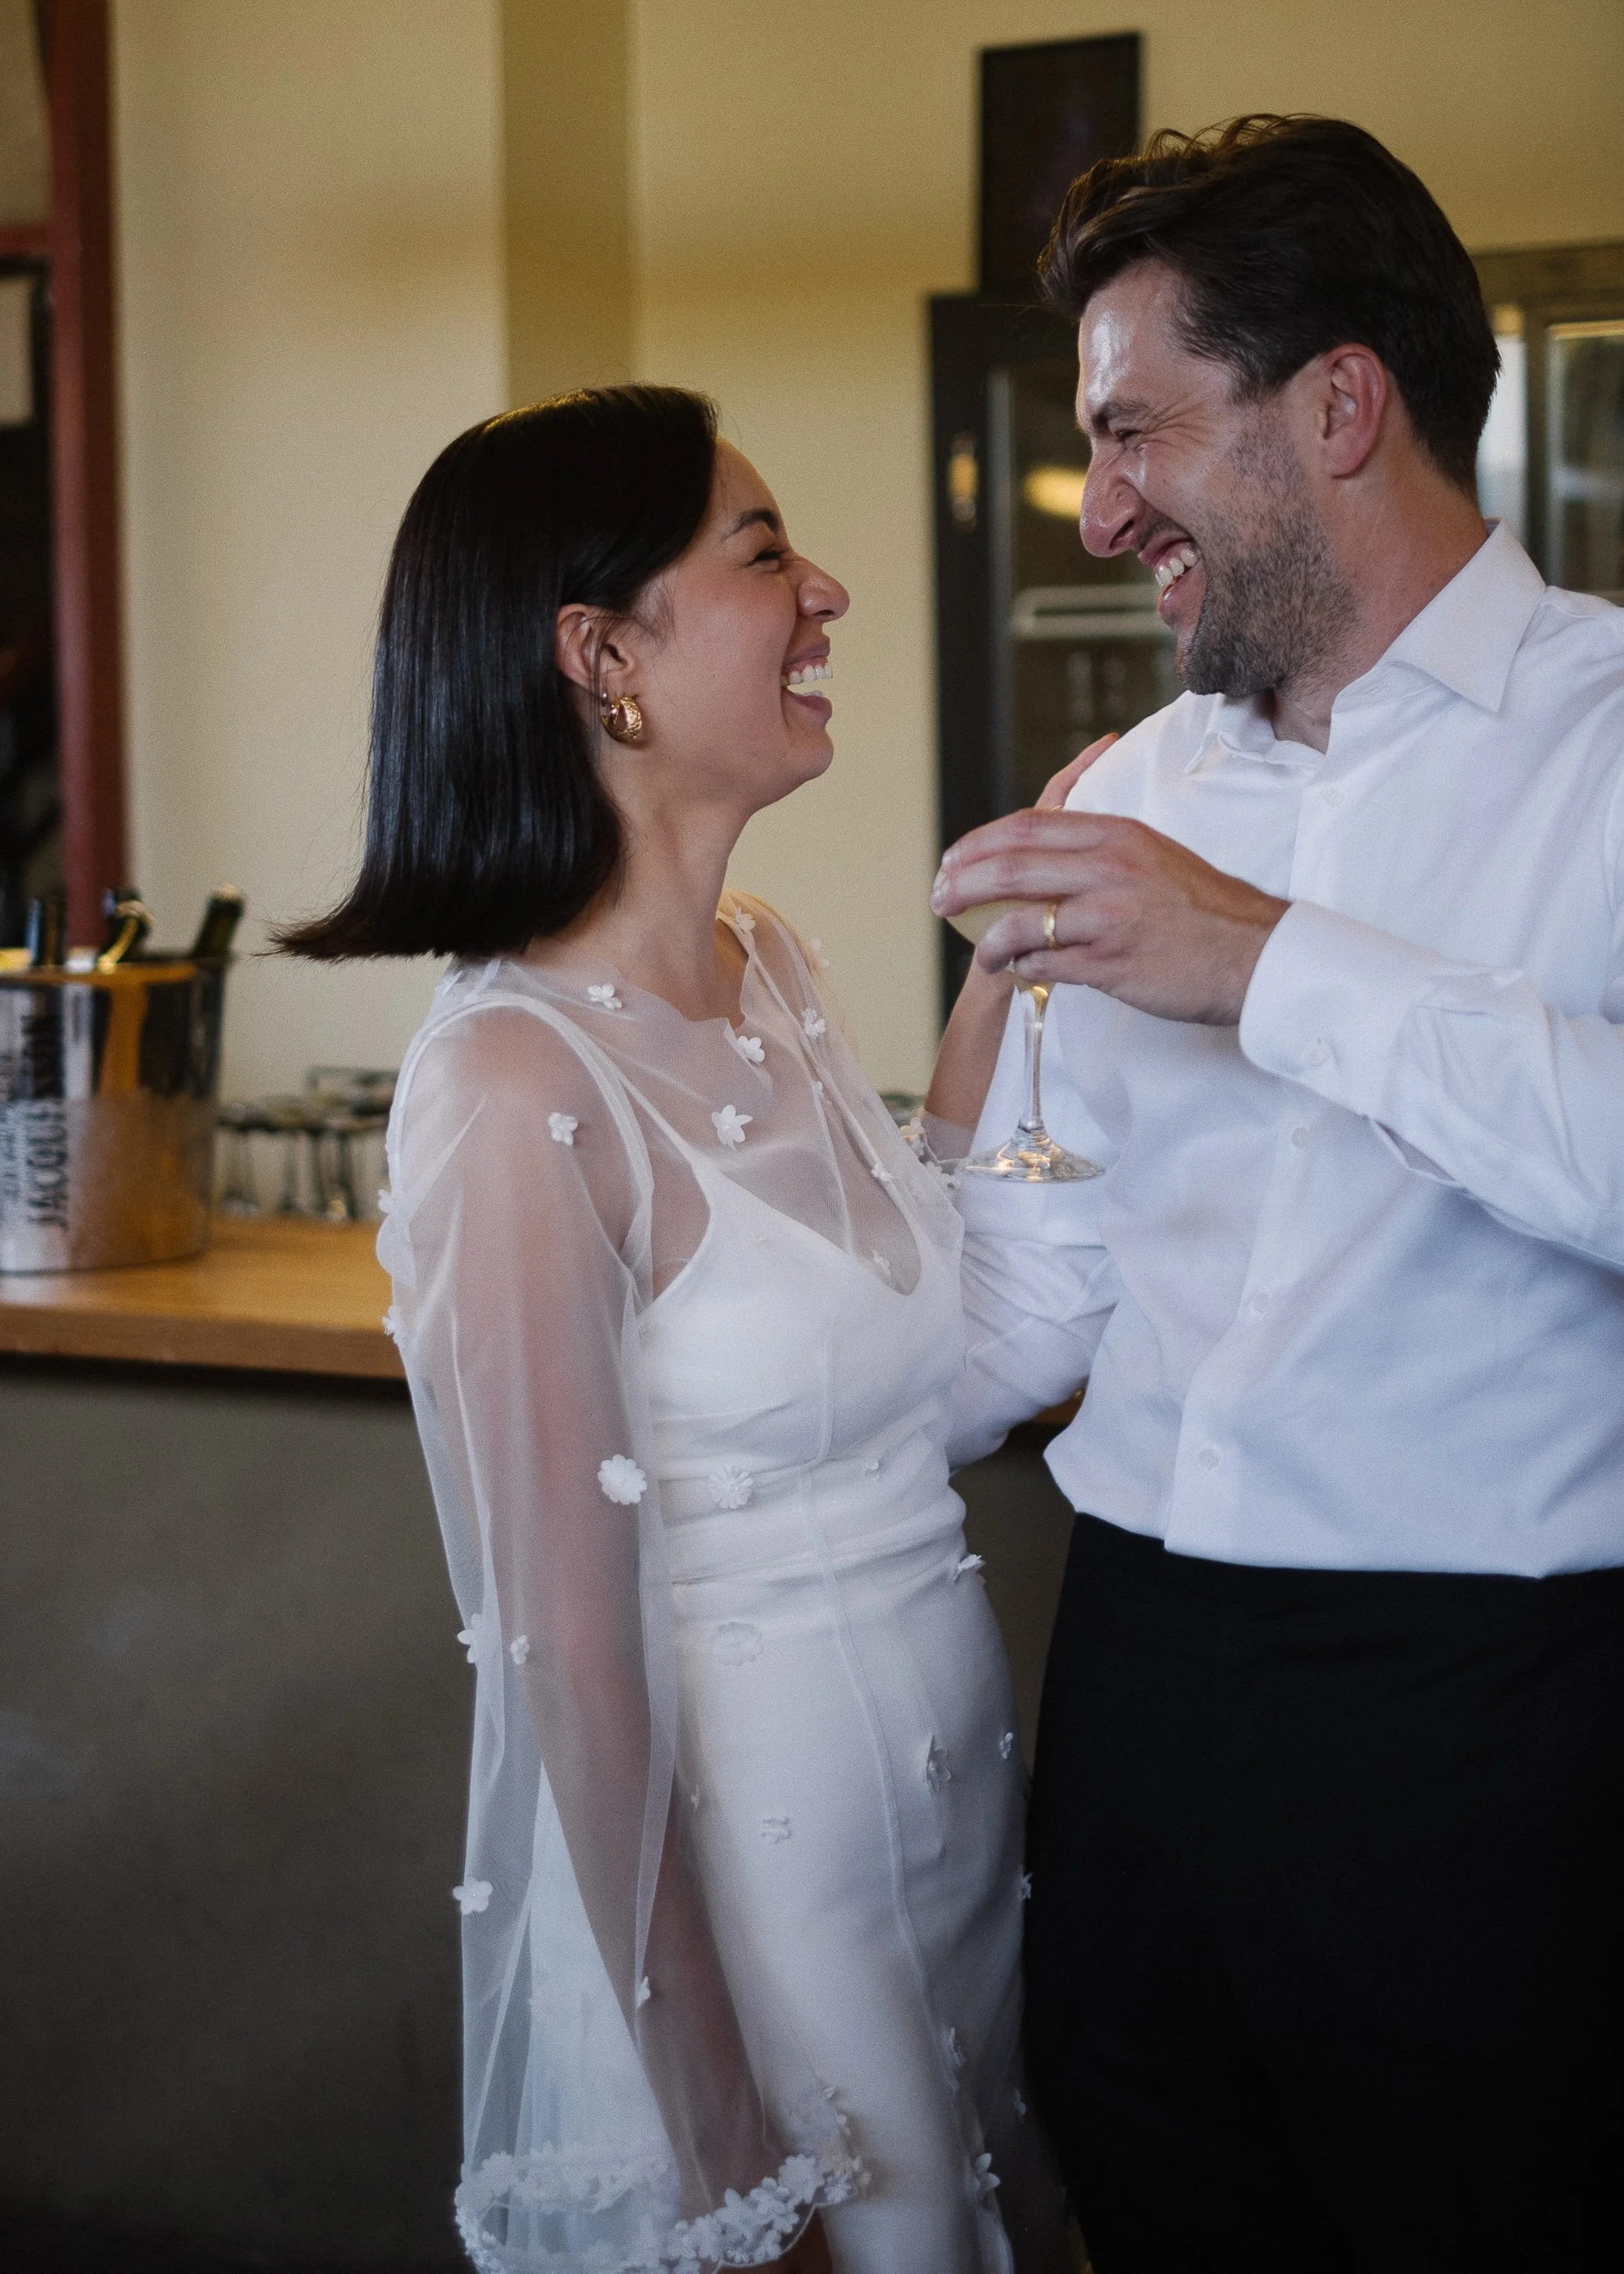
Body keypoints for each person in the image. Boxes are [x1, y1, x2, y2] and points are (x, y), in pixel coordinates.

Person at [928, 116, 1624, 2273]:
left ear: (1336, 402)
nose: (1096, 499)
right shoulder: (1127, 788)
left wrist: (1265, 965)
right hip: (1123, 1669)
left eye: (1135, 427)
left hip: (1486, 1731)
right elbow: (1032, 1283)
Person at [281, 387, 1068, 2274]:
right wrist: (727, 2147)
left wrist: (1011, 971)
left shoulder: (774, 965)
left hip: (945, 1846)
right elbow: (573, 1658)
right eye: (767, 551)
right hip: (748, 1889)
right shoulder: (506, 1086)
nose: (832, 593)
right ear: (604, 656)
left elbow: (903, 1320)